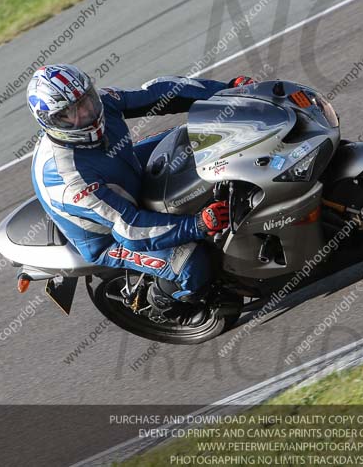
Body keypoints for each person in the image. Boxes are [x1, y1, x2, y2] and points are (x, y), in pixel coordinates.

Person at [26, 64, 254, 323]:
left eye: (86, 99)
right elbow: (130, 229)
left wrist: (225, 91)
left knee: (196, 137)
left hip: (124, 170)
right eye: (71, 113)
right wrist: (197, 224)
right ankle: (166, 304)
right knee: (192, 261)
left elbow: (158, 93)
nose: (87, 112)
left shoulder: (100, 103)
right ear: (51, 122)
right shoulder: (70, 180)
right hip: (111, 237)